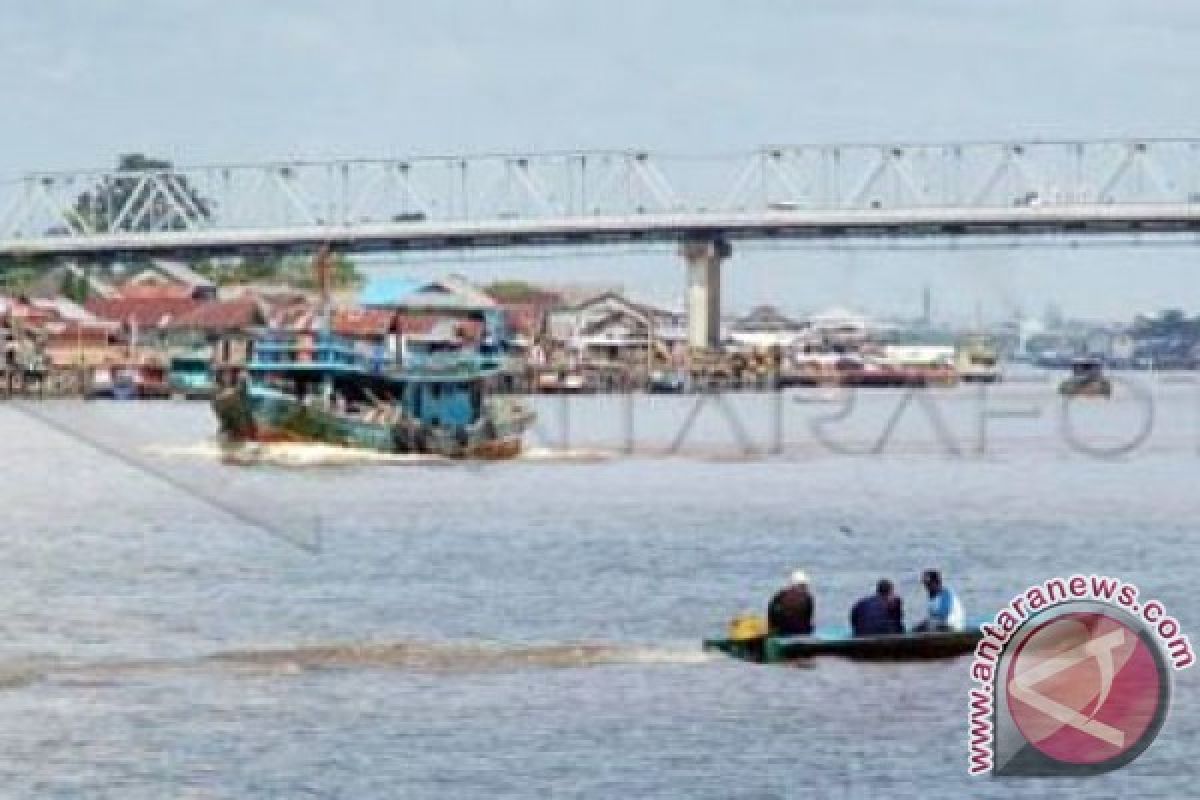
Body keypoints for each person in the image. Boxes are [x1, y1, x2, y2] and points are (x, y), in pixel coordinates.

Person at [767, 569, 814, 636]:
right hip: (783, 632)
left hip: (802, 632)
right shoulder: (779, 598)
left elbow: (808, 617)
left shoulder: (808, 598)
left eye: (804, 586)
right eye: (801, 585)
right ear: (792, 586)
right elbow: (772, 617)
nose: (803, 588)